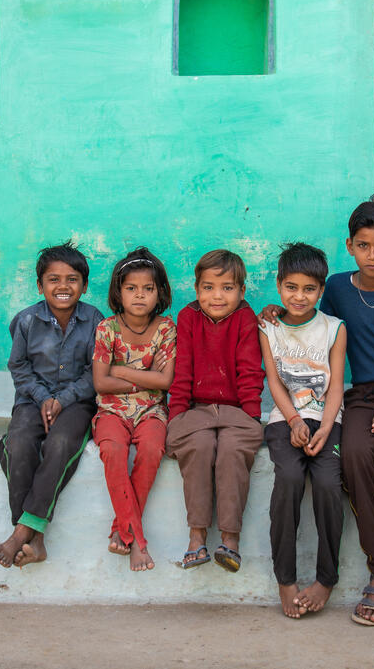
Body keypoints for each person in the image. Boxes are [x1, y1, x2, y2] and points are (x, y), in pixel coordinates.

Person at [261, 199, 374, 627]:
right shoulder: (336, 287)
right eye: (363, 245)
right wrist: (273, 312)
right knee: (355, 455)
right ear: (350, 245)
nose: (373, 254)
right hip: (359, 394)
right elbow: (304, 320)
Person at [0, 242, 104, 569]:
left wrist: (62, 400)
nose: (63, 286)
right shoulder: (25, 321)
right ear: (40, 285)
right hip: (31, 401)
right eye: (54, 279)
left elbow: (94, 372)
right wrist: (43, 399)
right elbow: (19, 367)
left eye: (72, 279)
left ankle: (19, 533)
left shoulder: (96, 320)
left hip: (78, 403)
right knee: (18, 443)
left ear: (84, 285)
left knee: (61, 444)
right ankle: (34, 539)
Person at [259, 243, 347, 619]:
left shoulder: (334, 329)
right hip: (284, 419)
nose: (299, 296)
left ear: (321, 291)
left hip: (327, 419)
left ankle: (326, 579)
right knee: (290, 480)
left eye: (309, 289)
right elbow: (275, 381)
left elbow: (337, 383)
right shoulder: (269, 327)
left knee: (328, 484)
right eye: (291, 287)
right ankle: (286, 578)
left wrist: (325, 427)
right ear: (279, 286)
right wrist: (294, 420)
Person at [165, 250, 266, 572]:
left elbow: (250, 372)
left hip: (237, 411)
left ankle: (229, 538)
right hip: (196, 410)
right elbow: (182, 373)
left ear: (242, 291)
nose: (217, 296)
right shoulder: (188, 318)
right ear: (196, 290)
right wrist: (175, 418)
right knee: (199, 446)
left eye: (227, 287)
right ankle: (196, 536)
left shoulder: (246, 319)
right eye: (208, 287)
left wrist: (251, 417)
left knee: (232, 451)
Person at [91, 248, 176, 572]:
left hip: (151, 411)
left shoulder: (166, 329)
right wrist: (145, 379)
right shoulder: (107, 329)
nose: (139, 295)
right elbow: (100, 383)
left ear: (159, 293)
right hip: (111, 411)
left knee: (153, 449)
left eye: (148, 289)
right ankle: (137, 541)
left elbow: (165, 381)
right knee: (112, 450)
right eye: (131, 288)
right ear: (119, 291)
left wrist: (120, 370)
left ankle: (121, 529)